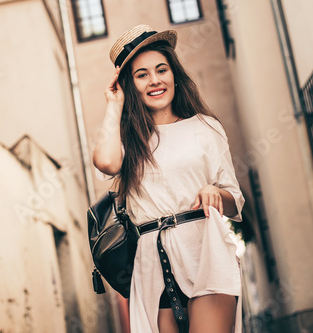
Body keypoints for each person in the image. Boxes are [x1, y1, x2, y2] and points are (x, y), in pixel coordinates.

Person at [92, 25, 245, 333]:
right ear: (128, 85)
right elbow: (106, 163)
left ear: (174, 73)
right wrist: (113, 105)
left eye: (161, 69)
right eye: (142, 74)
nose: (155, 80)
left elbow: (234, 201)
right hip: (152, 263)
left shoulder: (205, 127)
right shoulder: (127, 140)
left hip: (206, 251)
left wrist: (214, 191)